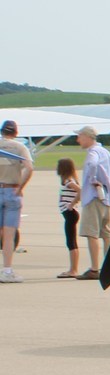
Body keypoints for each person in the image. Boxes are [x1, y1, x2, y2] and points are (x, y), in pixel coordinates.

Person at [75, 126, 110, 280]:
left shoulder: (93, 152)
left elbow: (92, 165)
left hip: (93, 197)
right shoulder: (105, 152)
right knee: (106, 233)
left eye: (79, 136)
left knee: (91, 233)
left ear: (87, 136)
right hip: (106, 196)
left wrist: (93, 180)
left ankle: (94, 268)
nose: (78, 140)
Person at [0, 119, 31, 284]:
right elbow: (29, 167)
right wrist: (20, 187)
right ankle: (7, 270)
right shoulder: (20, 147)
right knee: (9, 234)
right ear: (15, 132)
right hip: (12, 190)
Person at [55, 158, 82, 278]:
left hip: (70, 213)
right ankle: (73, 268)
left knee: (71, 242)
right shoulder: (68, 180)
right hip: (69, 214)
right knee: (71, 241)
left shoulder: (68, 181)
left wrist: (72, 204)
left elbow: (81, 191)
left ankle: (73, 269)